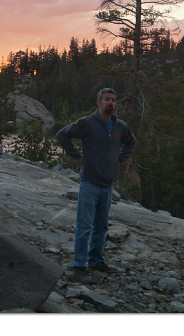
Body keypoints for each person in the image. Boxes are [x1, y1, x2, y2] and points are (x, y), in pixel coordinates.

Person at [56, 88, 136, 284]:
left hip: (108, 185)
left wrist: (119, 159)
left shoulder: (120, 126)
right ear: (99, 103)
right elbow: (62, 135)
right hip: (90, 183)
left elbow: (132, 143)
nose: (110, 103)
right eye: (107, 99)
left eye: (113, 100)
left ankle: (96, 261)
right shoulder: (87, 123)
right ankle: (78, 267)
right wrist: (78, 157)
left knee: (101, 227)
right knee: (84, 227)